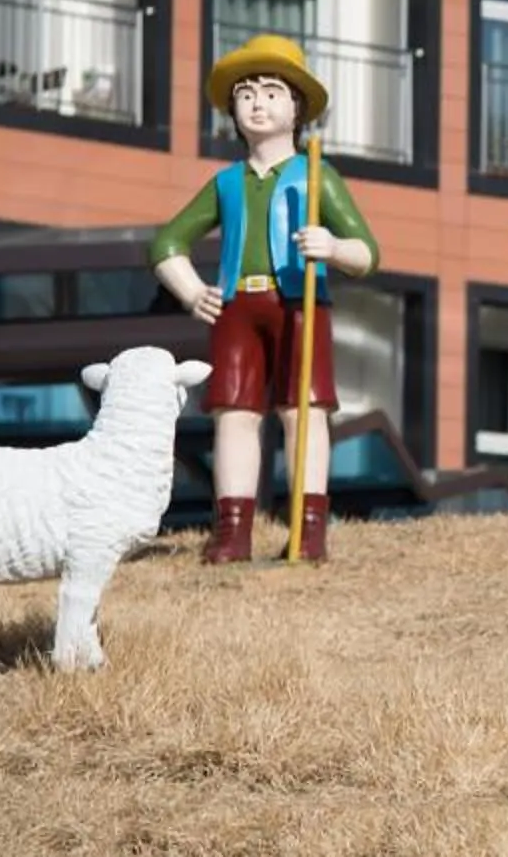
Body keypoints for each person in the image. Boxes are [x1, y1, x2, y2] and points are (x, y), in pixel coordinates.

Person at [149, 34, 380, 564]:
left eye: (272, 91)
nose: (257, 102)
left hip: (301, 303)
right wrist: (189, 290)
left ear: (296, 107)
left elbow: (368, 251)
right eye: (246, 92)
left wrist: (333, 247)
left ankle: (309, 529)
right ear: (232, 109)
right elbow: (165, 242)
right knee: (234, 413)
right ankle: (232, 531)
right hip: (236, 307)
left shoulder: (316, 175)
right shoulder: (227, 182)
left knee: (305, 411)